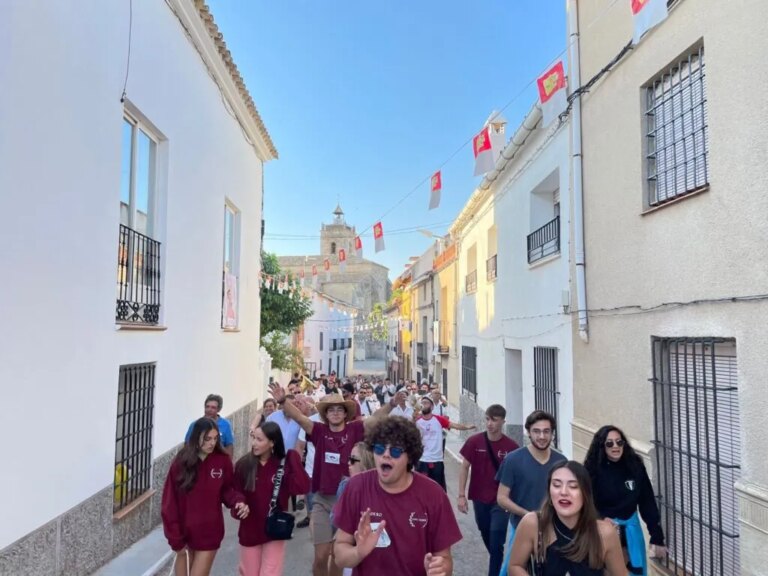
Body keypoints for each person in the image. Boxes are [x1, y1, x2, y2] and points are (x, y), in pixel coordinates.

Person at [268, 383, 391, 576]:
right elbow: (299, 418)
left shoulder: (355, 429)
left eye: (339, 410)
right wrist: (283, 400)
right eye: (331, 410)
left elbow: (376, 419)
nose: (335, 413)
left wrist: (391, 404)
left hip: (349, 502)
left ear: (345, 414)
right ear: (326, 414)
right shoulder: (318, 431)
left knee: (337, 555)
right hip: (323, 501)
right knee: (321, 556)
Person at [333, 416, 463, 576]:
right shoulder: (356, 487)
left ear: (410, 457)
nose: (386, 455)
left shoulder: (434, 495)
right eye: (380, 449)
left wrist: (439, 569)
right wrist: (358, 552)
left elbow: (445, 559)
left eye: (395, 451)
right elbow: (339, 555)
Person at [162, 418, 249, 576]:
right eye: (207, 438)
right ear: (196, 437)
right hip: (183, 536)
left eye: (215, 438)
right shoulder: (181, 462)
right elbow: (169, 503)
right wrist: (175, 538)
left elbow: (228, 490)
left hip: (209, 533)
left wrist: (238, 502)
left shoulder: (222, 461)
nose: (212, 443)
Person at [507, 460, 628, 576]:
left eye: (573, 486)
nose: (563, 492)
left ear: (585, 493)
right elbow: (514, 566)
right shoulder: (533, 523)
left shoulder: (604, 532)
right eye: (557, 485)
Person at [583, 425, 666, 575]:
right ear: (602, 446)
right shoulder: (592, 470)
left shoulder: (635, 466)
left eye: (619, 442)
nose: (615, 446)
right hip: (604, 532)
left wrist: (656, 536)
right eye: (609, 443)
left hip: (631, 531)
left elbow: (647, 501)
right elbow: (585, 503)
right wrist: (600, 519)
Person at [233, 421, 310, 576]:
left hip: (275, 529)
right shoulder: (244, 464)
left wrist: (294, 458)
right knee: (249, 573)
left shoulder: (283, 464)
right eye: (253, 438)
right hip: (250, 529)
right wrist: (240, 505)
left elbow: (302, 487)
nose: (254, 443)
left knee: (270, 573)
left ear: (272, 442)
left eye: (259, 439)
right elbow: (234, 493)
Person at [497, 410, 567, 575]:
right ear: (528, 432)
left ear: (552, 433)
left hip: (554, 531)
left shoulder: (561, 461)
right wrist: (529, 515)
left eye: (546, 431)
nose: (542, 436)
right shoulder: (513, 460)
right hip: (520, 528)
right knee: (509, 570)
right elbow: (501, 498)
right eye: (536, 431)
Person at [458, 404, 520, 576]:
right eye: (487, 419)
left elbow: (517, 475)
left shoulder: (511, 447)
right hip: (479, 497)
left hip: (501, 501)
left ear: (503, 422)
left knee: (496, 541)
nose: (490, 423)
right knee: (485, 531)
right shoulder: (474, 441)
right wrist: (461, 495)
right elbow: (464, 467)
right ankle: (502, 563)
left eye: (494, 420)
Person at [414, 395, 475, 491]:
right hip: (422, 460)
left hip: (437, 460)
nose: (424, 405)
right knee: (421, 489)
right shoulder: (417, 421)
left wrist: (466, 427)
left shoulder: (438, 419)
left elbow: (453, 425)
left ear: (432, 407)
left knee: (438, 489)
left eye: (426, 403)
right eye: (422, 403)